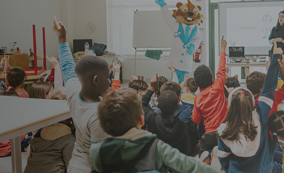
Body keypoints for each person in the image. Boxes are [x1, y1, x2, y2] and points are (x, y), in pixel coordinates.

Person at [90, 88, 220, 173]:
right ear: (141, 120)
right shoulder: (156, 148)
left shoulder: (97, 152)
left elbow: (145, 107)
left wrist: (150, 89)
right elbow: (193, 167)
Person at [53, 17, 110, 173]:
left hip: (76, 164)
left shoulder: (73, 93)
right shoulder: (99, 116)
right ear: (96, 80)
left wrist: (62, 37)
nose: (110, 82)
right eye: (108, 77)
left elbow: (67, 67)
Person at [217, 47, 282, 173]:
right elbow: (268, 88)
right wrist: (275, 58)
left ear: (229, 106)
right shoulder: (260, 115)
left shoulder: (223, 129)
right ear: (252, 103)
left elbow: (223, 158)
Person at [193, 36, 228, 154]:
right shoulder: (217, 87)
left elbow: (196, 120)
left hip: (208, 135)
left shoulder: (197, 98)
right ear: (212, 78)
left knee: (205, 161)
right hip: (224, 133)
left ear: (196, 83)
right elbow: (222, 69)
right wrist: (222, 48)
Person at [144, 90, 190, 155]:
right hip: (174, 160)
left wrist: (151, 89)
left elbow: (142, 105)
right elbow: (186, 149)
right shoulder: (182, 127)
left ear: (158, 106)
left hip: (155, 158)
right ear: (177, 107)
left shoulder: (151, 119)